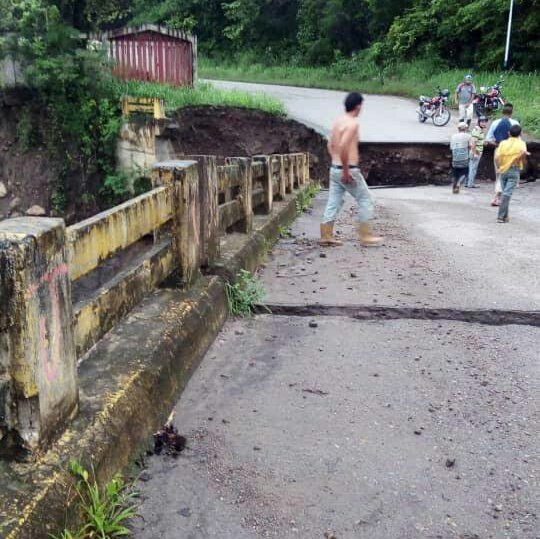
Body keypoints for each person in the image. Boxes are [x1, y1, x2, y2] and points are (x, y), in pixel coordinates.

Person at [319, 92, 383, 247]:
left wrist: (336, 162)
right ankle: (365, 236)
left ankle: (326, 234)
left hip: (334, 169)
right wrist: (346, 171)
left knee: (334, 201)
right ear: (358, 106)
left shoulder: (338, 122)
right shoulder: (352, 124)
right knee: (365, 199)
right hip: (347, 170)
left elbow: (330, 144)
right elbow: (343, 146)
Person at [485, 103, 519, 206]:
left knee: (499, 175)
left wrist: (497, 143)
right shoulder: (515, 123)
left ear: (502, 112)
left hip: (499, 150)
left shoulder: (495, 123)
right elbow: (518, 140)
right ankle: (498, 197)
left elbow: (487, 140)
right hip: (511, 152)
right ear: (511, 113)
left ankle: (498, 197)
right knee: (507, 175)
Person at [494, 124, 529, 223]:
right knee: (507, 194)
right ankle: (500, 216)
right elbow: (524, 157)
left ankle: (505, 216)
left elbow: (497, 157)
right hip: (514, 169)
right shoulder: (522, 144)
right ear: (520, 134)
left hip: (503, 169)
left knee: (505, 192)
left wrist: (499, 167)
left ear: (508, 133)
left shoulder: (503, 143)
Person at [450, 122, 474, 194]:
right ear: (466, 129)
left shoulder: (453, 136)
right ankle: (458, 184)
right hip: (464, 158)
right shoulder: (468, 136)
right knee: (465, 173)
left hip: (455, 158)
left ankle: (455, 184)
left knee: (456, 174)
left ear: (458, 129)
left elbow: (451, 148)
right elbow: (471, 146)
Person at [466, 115, 488, 188]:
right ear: (479, 122)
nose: (483, 123)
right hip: (476, 151)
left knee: (471, 167)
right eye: (482, 122)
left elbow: (477, 141)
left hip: (475, 150)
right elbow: (473, 142)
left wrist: (483, 142)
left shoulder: (479, 130)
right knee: (473, 168)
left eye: (485, 122)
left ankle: (468, 183)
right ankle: (470, 184)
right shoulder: (477, 130)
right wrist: (475, 152)